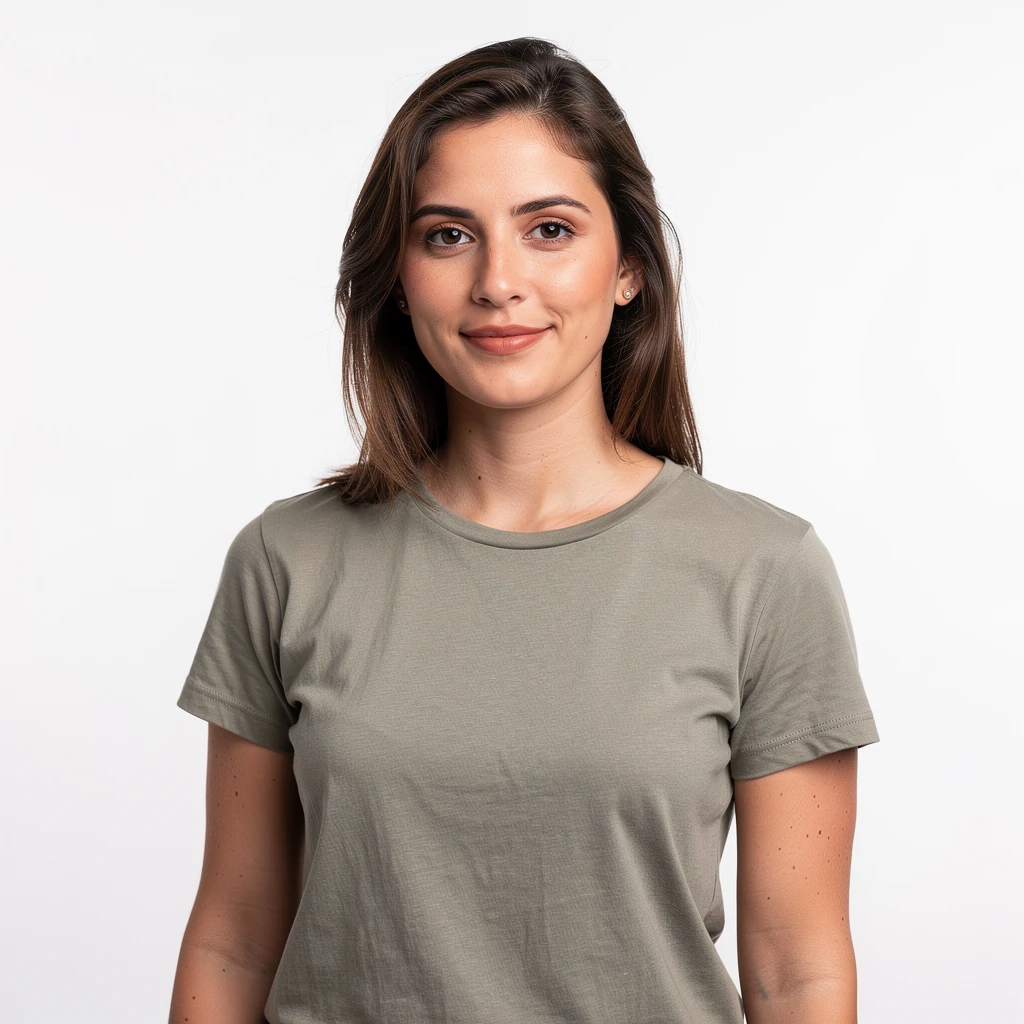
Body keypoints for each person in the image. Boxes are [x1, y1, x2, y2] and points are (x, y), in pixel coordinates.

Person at [169, 36, 880, 1024]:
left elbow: (796, 971)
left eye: (549, 229)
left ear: (628, 267)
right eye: (446, 235)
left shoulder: (763, 571)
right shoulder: (286, 561)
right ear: (397, 275)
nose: (498, 281)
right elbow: (233, 941)